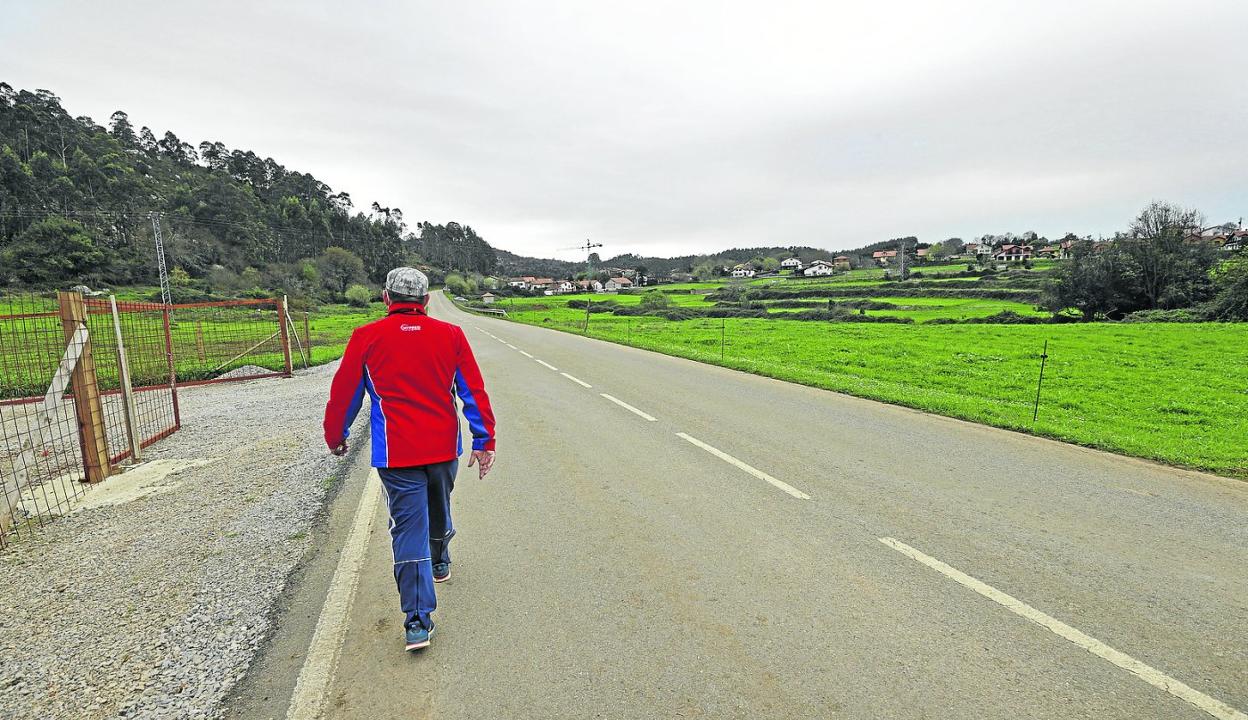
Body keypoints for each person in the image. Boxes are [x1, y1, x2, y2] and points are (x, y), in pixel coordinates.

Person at [323, 267, 496, 651]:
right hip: (443, 448)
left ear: (386, 298)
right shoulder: (450, 335)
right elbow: (472, 389)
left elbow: (345, 394)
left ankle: (417, 620)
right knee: (440, 504)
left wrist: (336, 436)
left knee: (407, 528)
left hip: (396, 455)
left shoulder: (366, 337)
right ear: (426, 301)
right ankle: (440, 558)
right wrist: (484, 440)